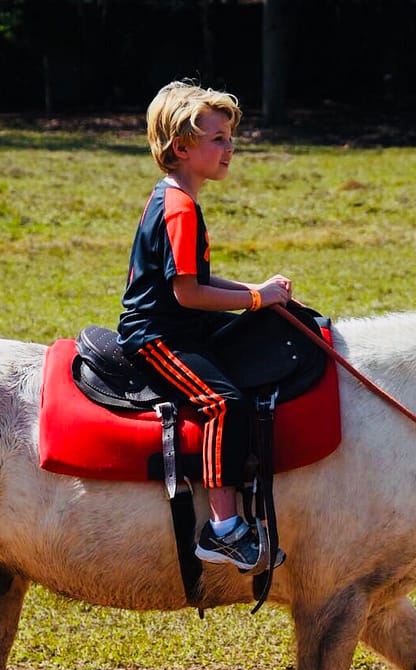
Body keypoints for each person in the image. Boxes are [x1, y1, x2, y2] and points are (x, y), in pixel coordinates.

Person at [117, 80, 291, 571]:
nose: (230, 147)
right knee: (222, 404)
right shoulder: (179, 207)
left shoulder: (179, 199)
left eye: (230, 138)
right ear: (182, 147)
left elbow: (199, 276)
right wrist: (256, 299)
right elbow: (187, 293)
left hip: (184, 326)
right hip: (157, 337)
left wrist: (256, 291)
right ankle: (223, 530)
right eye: (218, 139)